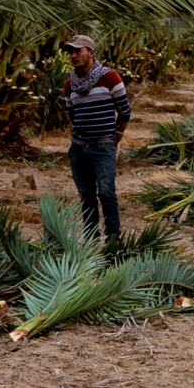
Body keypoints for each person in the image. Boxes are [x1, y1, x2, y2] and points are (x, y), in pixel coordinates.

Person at [58, 34, 131, 241]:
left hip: (103, 145)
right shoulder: (69, 85)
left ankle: (113, 238)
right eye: (70, 52)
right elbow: (72, 114)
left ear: (91, 52)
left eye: (78, 51)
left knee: (107, 193)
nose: (73, 56)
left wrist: (118, 133)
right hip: (79, 147)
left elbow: (124, 111)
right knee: (86, 195)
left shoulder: (110, 77)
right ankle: (91, 237)